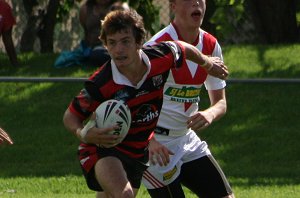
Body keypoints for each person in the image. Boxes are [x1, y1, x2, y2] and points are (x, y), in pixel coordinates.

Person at [63, 9, 228, 198]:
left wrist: (207, 63)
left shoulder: (159, 57)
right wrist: (83, 133)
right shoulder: (102, 82)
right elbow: (70, 117)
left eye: (125, 41)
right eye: (112, 43)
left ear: (139, 42)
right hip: (104, 148)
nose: (118, 50)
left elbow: (183, 48)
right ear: (106, 46)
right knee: (123, 195)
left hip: (138, 150)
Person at [141, 0, 235, 197]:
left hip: (186, 139)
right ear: (173, 6)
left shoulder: (210, 44)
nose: (196, 3)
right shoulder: (157, 47)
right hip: (156, 145)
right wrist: (149, 142)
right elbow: (134, 103)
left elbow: (221, 103)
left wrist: (209, 113)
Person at [54, 0, 128, 68]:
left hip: (112, 46)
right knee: (96, 55)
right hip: (92, 47)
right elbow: (86, 30)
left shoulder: (119, 8)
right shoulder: (85, 9)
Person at [0, 0, 19, 66]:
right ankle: (15, 63)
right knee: (7, 38)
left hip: (3, 9)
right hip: (4, 8)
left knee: (7, 38)